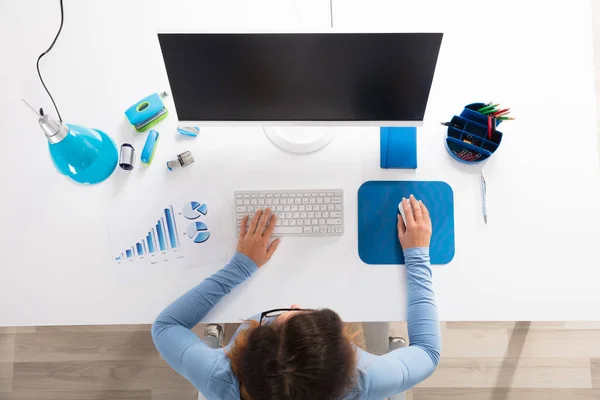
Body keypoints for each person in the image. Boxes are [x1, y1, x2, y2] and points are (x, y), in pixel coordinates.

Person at [152, 195, 441, 400]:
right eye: (300, 312)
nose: (294, 306)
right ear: (348, 358)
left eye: (277, 317)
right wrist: (417, 255)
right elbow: (427, 353)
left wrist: (241, 265)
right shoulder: (367, 380)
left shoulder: (218, 378)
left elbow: (166, 326)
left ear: (240, 357)